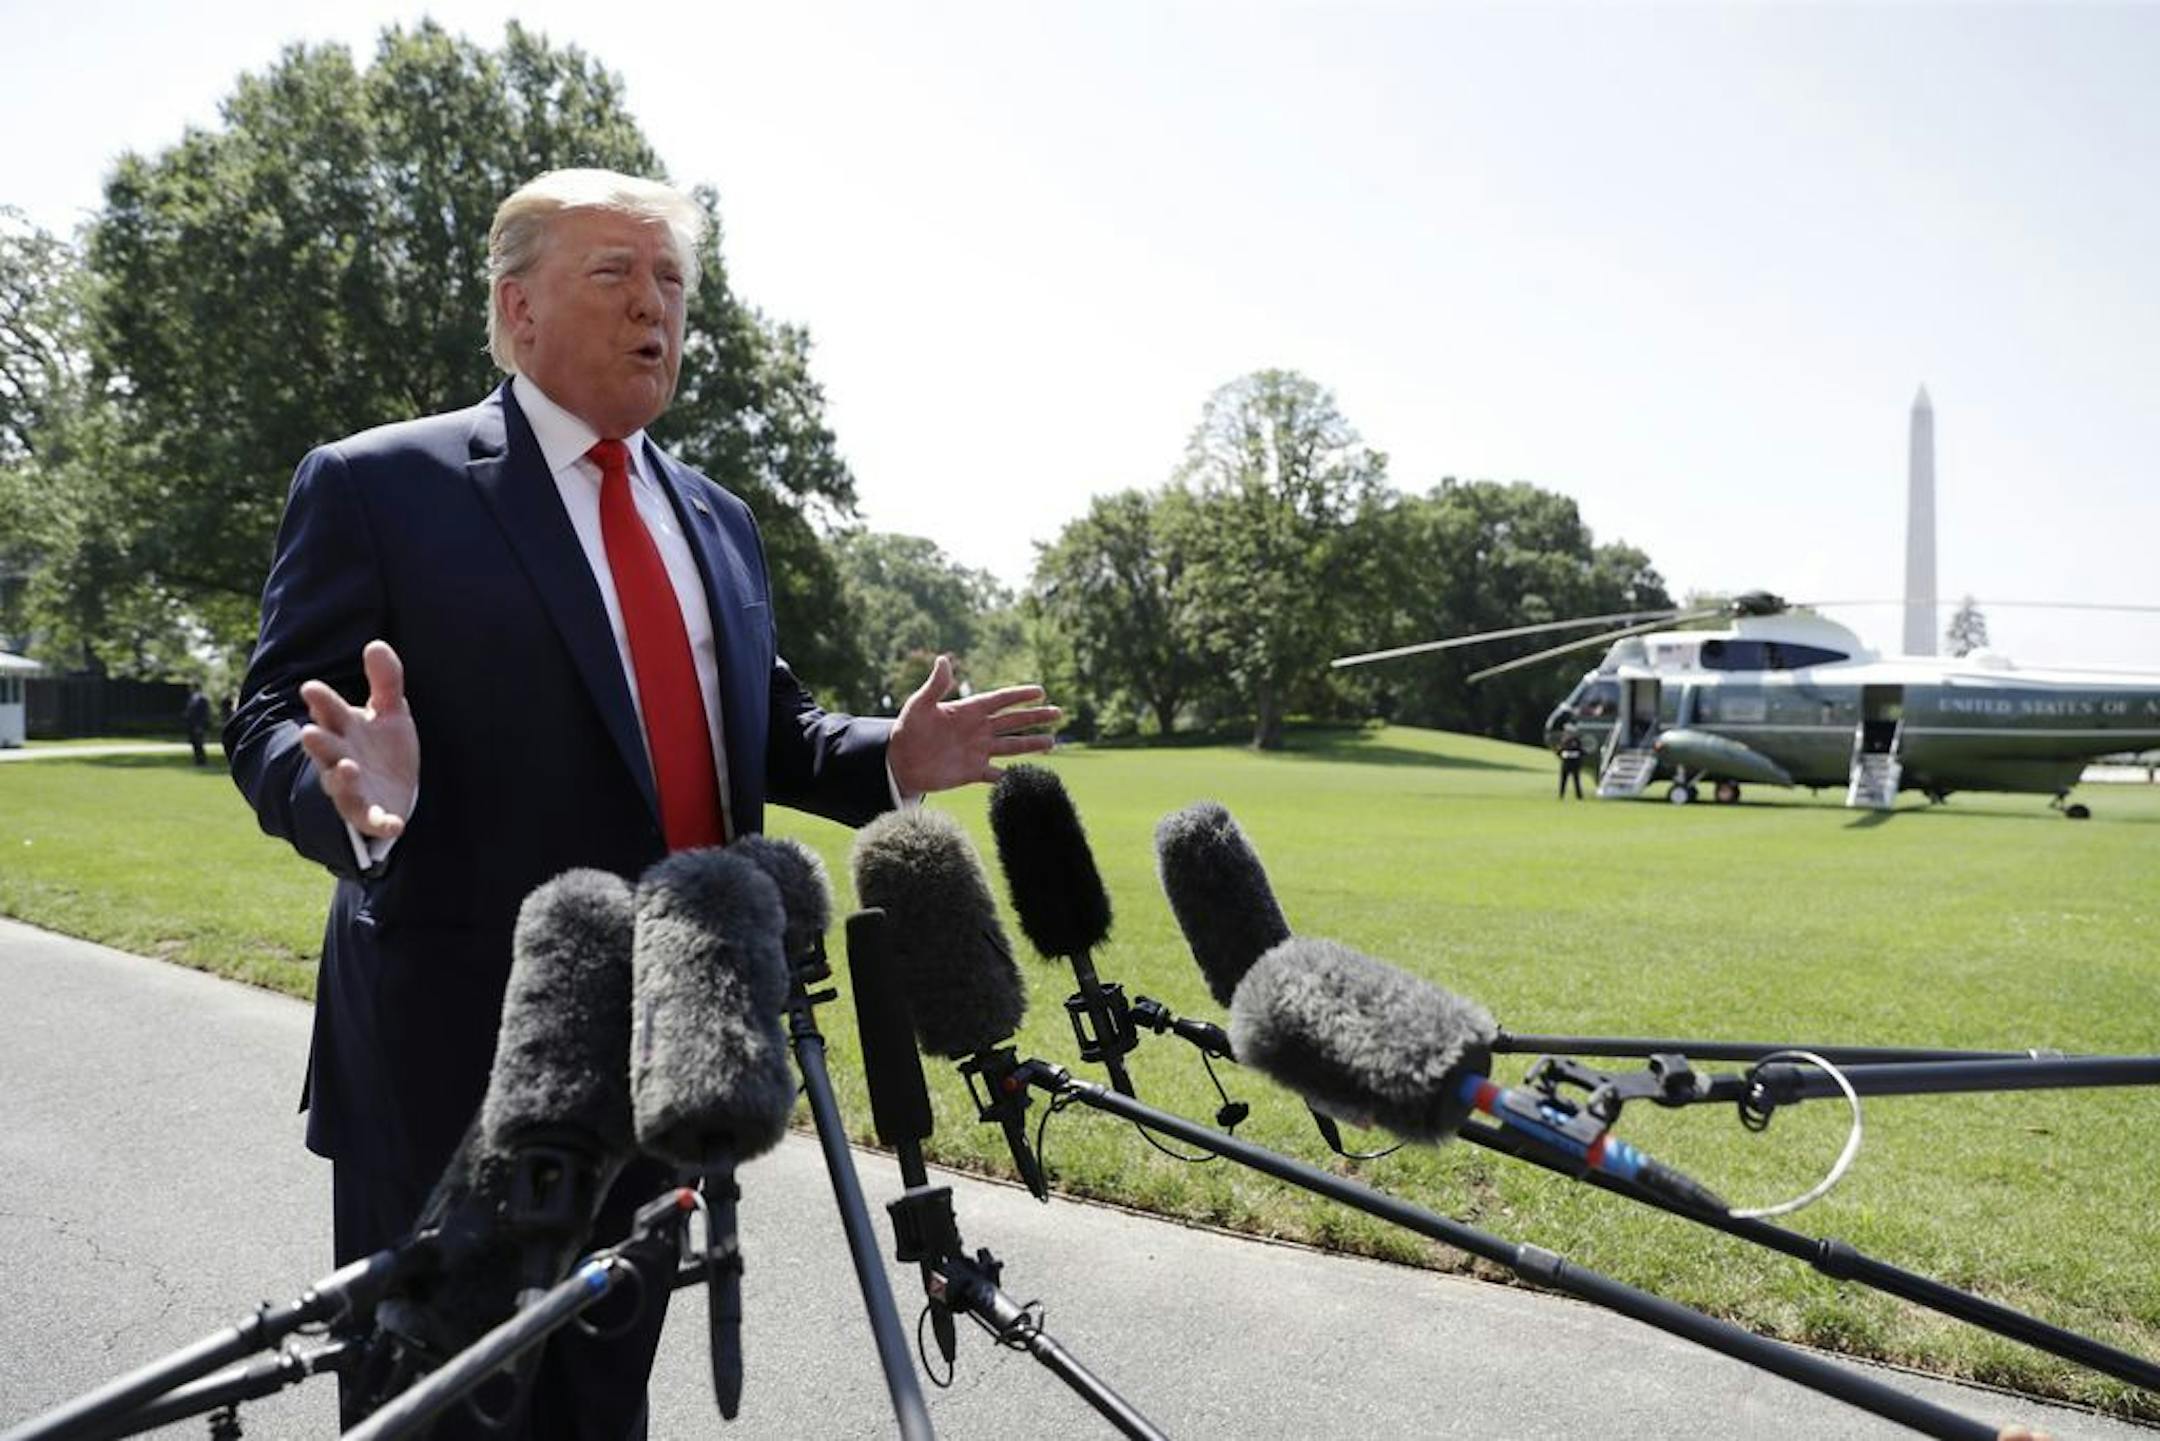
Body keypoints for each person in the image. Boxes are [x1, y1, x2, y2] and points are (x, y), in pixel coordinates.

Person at [224, 169, 1057, 1439]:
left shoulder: (717, 519)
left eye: (671, 282)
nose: (652, 307)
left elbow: (770, 733)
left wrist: (895, 748)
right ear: (516, 311)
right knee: (437, 1408)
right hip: (459, 1056)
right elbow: (278, 709)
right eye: (613, 275)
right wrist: (349, 792)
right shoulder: (378, 485)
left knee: (602, 1403)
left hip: (678, 1044)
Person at [182, 686, 212, 766]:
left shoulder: (202, 699)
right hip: (192, 725)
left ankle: (202, 760)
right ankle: (198, 759)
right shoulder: (192, 698)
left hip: (198, 724)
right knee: (194, 743)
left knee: (199, 743)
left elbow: (203, 714)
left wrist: (200, 725)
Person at [1556, 722, 1585, 799]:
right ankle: (1561, 795)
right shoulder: (1564, 740)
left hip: (1574, 763)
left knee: (1576, 780)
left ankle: (1579, 796)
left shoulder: (1576, 740)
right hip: (1566, 762)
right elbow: (1559, 751)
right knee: (1563, 780)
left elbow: (1581, 751)